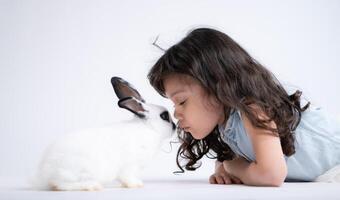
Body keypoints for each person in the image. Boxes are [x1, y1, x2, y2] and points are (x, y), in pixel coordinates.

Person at [147, 27, 340, 186]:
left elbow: (271, 175)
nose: (176, 113)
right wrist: (223, 168)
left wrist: (232, 167)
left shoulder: (254, 108)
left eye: (182, 101)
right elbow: (237, 158)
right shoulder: (226, 127)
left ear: (216, 86)